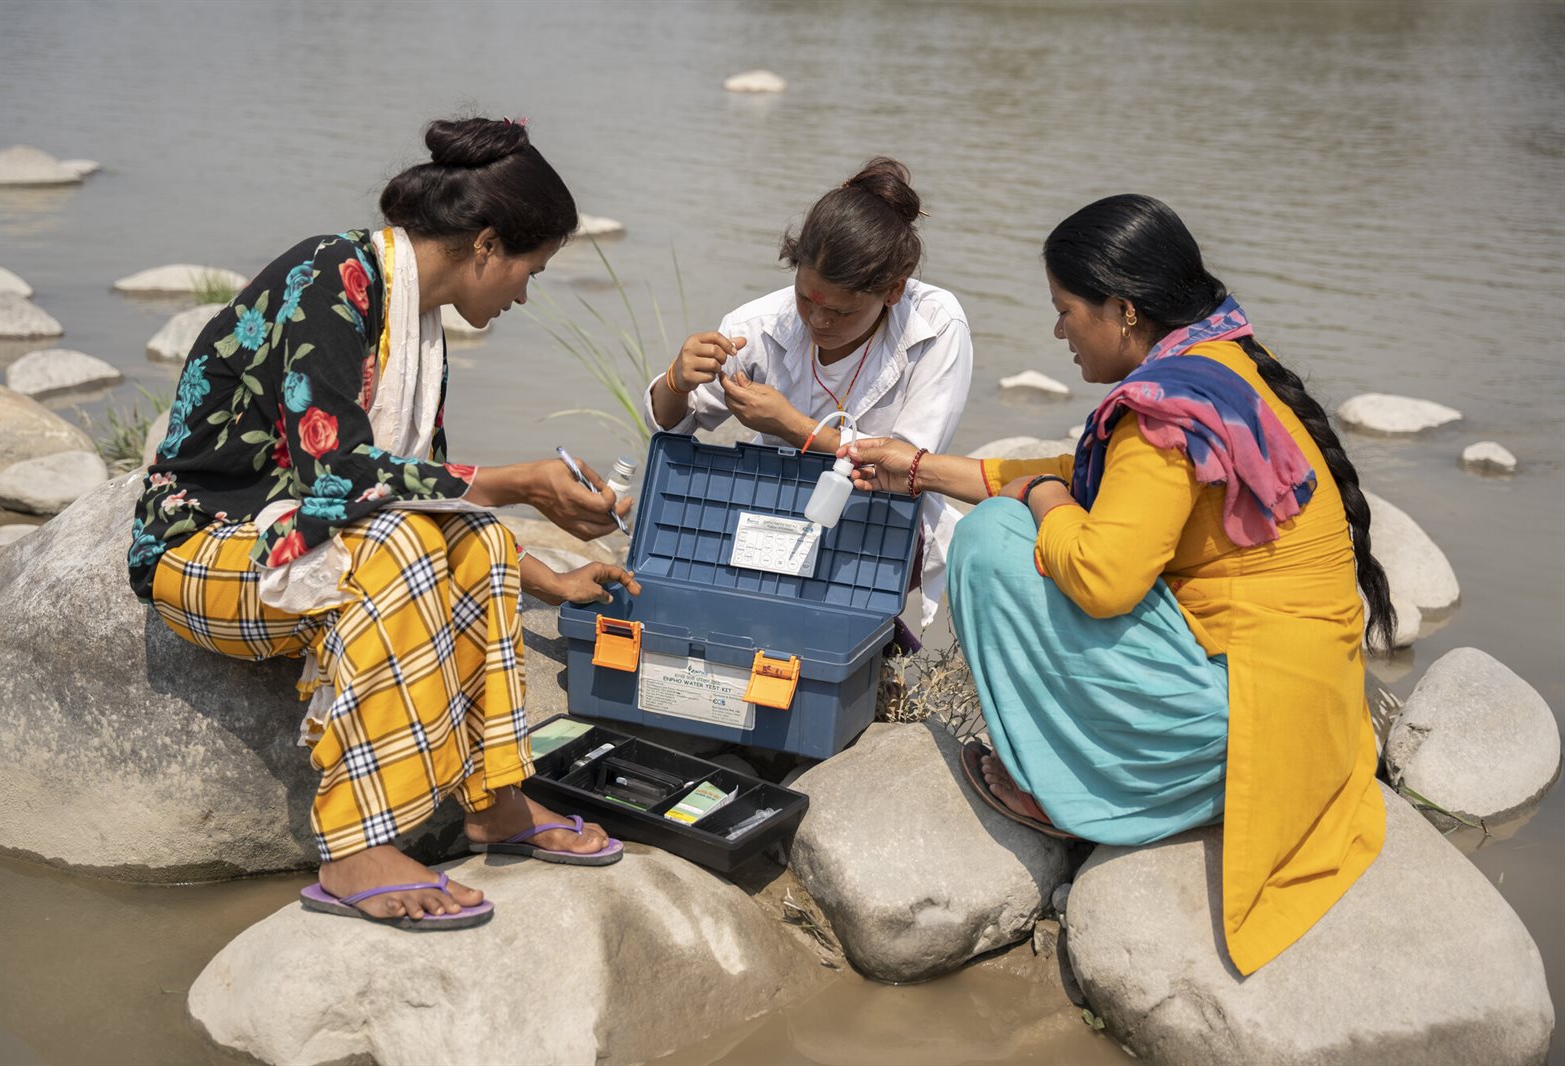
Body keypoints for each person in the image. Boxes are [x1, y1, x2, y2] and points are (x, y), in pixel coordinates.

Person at [842, 194, 1393, 975]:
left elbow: (1100, 577)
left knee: (996, 542)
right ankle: (1118, 770)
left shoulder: (1164, 414)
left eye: (1066, 310)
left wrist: (1032, 498)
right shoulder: (1217, 363)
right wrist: (921, 469)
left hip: (1234, 735)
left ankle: (1063, 793)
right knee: (1030, 511)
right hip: (1294, 717)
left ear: (1124, 311)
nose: (1059, 330)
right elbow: (1086, 479)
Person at [128, 117, 640, 930]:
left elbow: (428, 498)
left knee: (471, 538)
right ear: (483, 244)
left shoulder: (417, 323)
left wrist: (548, 577)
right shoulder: (326, 277)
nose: (523, 294)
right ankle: (358, 845)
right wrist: (513, 483)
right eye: (527, 270)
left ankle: (495, 800)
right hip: (202, 548)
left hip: (296, 543)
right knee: (399, 544)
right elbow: (340, 480)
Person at [643, 158, 972, 627]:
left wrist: (792, 427)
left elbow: (909, 468)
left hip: (882, 522)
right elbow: (673, 429)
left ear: (894, 291)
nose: (818, 322)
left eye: (842, 312)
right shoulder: (756, 326)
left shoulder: (935, 325)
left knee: (840, 618)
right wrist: (677, 380)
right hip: (774, 510)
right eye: (805, 298)